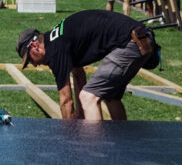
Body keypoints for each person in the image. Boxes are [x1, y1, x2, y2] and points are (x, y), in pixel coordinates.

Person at [16, 10, 157, 121]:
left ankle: (93, 154)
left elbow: (66, 101)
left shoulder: (54, 51)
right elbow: (78, 74)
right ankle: (122, 144)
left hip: (130, 42)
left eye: (30, 59)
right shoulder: (57, 40)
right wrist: (80, 116)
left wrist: (70, 141)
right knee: (110, 95)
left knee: (88, 97)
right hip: (139, 38)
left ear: (35, 46)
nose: (34, 65)